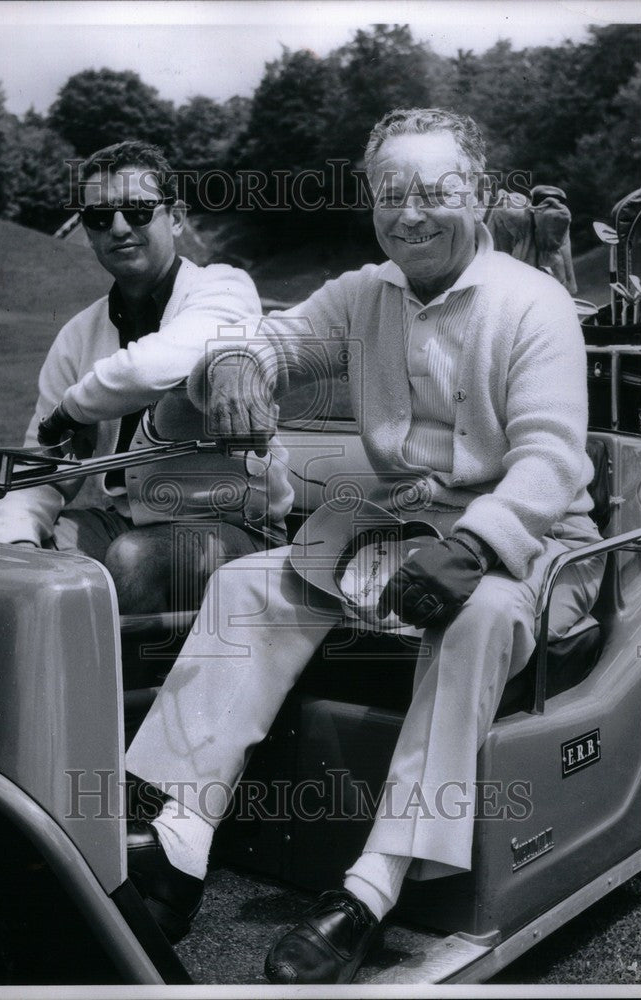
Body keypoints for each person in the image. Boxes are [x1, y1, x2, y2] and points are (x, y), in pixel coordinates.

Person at [113, 108, 606, 982]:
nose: (408, 214)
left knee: (477, 616)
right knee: (247, 588)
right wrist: (233, 366)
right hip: (403, 532)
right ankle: (178, 844)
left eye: (432, 193)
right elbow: (266, 343)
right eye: (389, 196)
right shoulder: (360, 294)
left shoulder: (534, 307)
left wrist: (480, 545)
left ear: (482, 197)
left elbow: (549, 459)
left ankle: (369, 890)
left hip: (534, 542)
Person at [0, 140, 293, 612]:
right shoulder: (78, 335)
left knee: (132, 560)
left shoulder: (224, 288)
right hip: (124, 524)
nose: (118, 227)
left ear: (174, 218)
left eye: (138, 211)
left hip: (237, 529)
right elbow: (44, 470)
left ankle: (100, 685)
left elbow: (152, 366)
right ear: (89, 232)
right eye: (99, 217)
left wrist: (71, 411)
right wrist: (19, 547)